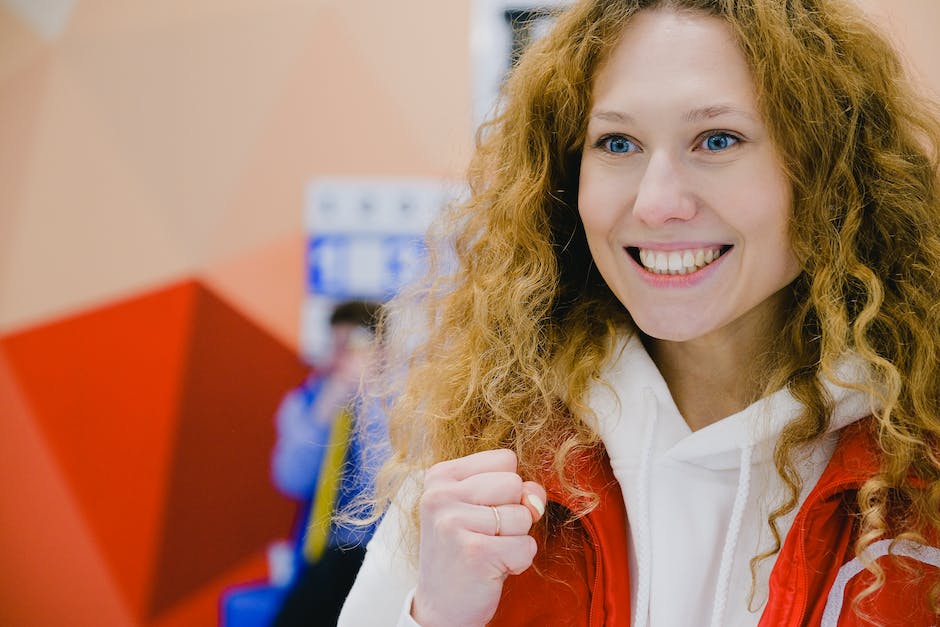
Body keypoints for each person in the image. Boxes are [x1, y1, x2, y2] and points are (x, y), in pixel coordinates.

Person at [340, 0, 940, 625]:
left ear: (828, 172)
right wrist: (432, 615)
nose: (656, 203)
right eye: (618, 142)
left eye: (717, 139)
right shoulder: (489, 464)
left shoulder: (921, 468)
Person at [270, 299, 386, 626]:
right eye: (336, 346)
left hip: (379, 554)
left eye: (354, 346)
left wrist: (371, 401)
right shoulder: (306, 402)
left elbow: (389, 479)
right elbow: (291, 478)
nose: (342, 358)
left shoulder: (400, 406)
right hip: (321, 553)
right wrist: (329, 404)